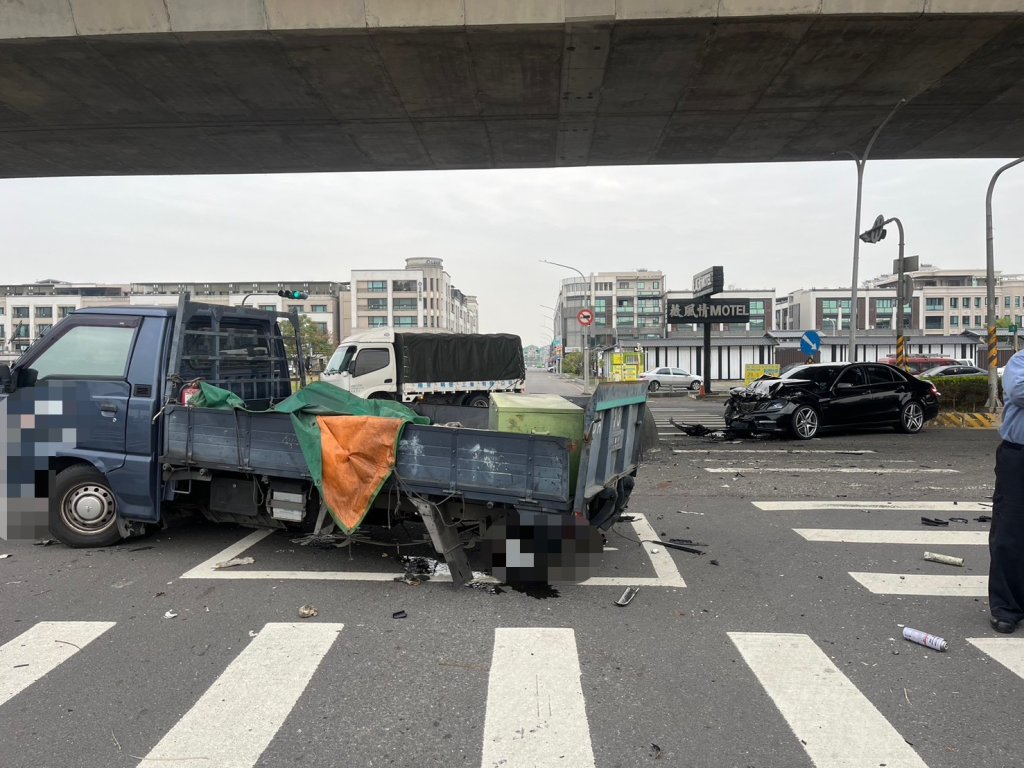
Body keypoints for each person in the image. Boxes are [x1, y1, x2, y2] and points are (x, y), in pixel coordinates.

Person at [990, 348, 1024, 633]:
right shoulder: (1020, 360)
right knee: (1010, 532)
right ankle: (1007, 607)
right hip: (1019, 456)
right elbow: (1019, 393)